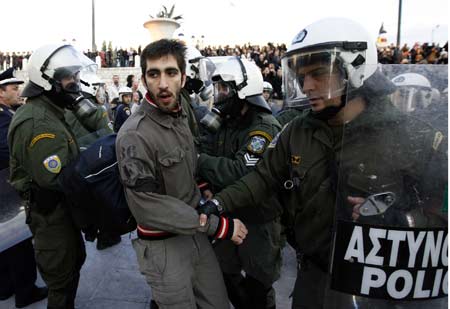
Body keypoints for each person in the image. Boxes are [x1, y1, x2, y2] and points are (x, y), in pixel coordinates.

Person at [197, 18, 447, 308]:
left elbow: (443, 207)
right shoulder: (297, 131)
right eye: (302, 77)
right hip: (313, 278)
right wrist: (219, 203)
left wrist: (404, 220)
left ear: (355, 69)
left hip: (378, 282)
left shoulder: (414, 138)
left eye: (318, 73)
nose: (307, 86)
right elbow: (262, 179)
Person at [115, 38, 248, 309]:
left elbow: (186, 161)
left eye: (171, 72)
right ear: (143, 79)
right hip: (164, 248)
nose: (163, 83)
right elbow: (147, 207)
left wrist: (201, 185)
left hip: (195, 234)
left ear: (183, 77)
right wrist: (218, 227)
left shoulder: (180, 116)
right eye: (154, 74)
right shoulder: (134, 135)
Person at [8, 43, 104, 309]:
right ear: (46, 80)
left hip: (62, 213)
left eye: (75, 75)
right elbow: (55, 177)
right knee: (61, 281)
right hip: (51, 216)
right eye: (68, 77)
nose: (74, 83)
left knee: (72, 264)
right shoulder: (39, 123)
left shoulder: (50, 112)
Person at [197, 57, 283, 309]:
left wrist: (200, 161)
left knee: (259, 285)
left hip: (259, 219)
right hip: (227, 214)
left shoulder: (264, 128)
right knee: (224, 275)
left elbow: (238, 172)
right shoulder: (225, 122)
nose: (220, 95)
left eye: (225, 89)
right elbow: (203, 145)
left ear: (244, 90)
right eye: (218, 89)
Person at [0, 68, 49, 308]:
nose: (18, 91)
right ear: (0, 94)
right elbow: (7, 152)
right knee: (18, 242)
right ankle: (25, 291)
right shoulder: (2, 117)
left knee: (5, 241)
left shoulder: (8, 112)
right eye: (13, 88)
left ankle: (5, 287)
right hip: (7, 189)